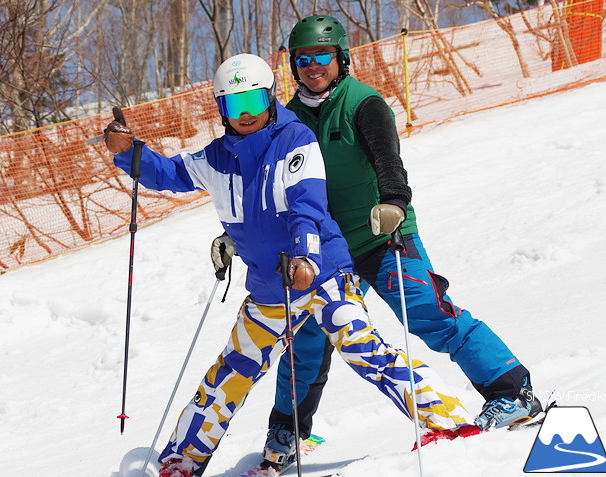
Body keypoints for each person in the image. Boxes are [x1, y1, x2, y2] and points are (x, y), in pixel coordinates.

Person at [106, 53, 474, 477]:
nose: (246, 115)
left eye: (254, 102)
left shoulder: (295, 140)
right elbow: (168, 174)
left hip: (322, 273)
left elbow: (308, 206)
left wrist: (306, 256)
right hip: (268, 287)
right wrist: (129, 153)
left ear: (270, 98)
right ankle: (181, 461)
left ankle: (449, 423)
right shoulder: (216, 158)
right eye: (233, 105)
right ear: (221, 110)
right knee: (232, 371)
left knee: (362, 347)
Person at [212, 15, 543, 468]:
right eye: (303, 59)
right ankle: (288, 430)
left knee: (429, 311)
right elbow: (262, 186)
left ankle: (512, 392)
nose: (313, 66)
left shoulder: (363, 103)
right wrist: (239, 233)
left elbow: (389, 161)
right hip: (326, 251)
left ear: (341, 58)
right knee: (305, 340)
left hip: (381, 233)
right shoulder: (283, 119)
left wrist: (394, 202)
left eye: (322, 57)